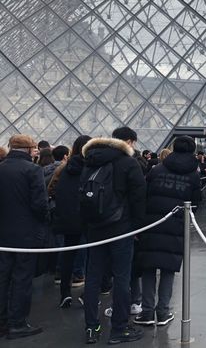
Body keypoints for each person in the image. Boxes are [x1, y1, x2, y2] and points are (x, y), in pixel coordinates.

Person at [81, 127, 146, 345]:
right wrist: (137, 229)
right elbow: (139, 199)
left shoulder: (89, 161)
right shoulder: (129, 163)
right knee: (121, 278)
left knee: (93, 277)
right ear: (129, 142)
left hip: (95, 228)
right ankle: (119, 329)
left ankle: (91, 328)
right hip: (121, 227)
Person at [134, 136, 201, 327]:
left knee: (147, 267)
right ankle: (163, 312)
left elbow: (143, 196)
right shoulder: (193, 175)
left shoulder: (156, 170)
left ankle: (146, 313)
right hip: (176, 225)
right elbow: (195, 203)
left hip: (151, 224)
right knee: (168, 268)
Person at [0, 135, 48, 340]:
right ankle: (17, 323)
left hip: (3, 233)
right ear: (28, 149)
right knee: (21, 278)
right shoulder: (33, 170)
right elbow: (39, 205)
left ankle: (2, 322)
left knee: (2, 277)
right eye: (34, 148)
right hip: (26, 234)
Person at [48, 135, 92, 308]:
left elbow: (53, 189)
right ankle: (86, 294)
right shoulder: (92, 168)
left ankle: (65, 294)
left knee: (68, 256)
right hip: (87, 218)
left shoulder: (65, 168)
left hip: (67, 218)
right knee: (92, 256)